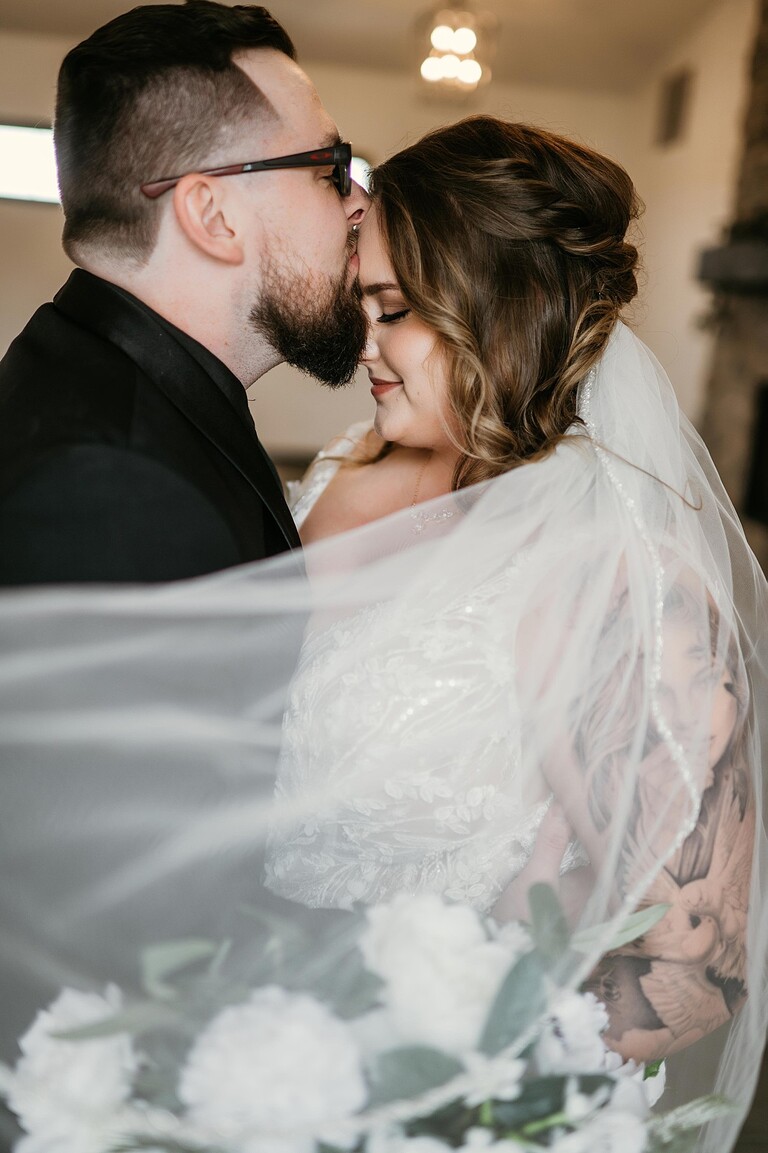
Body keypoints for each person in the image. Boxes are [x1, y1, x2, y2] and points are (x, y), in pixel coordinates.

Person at [0, 118, 765, 1153]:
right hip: (217, 1037)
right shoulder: (344, 473)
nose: (363, 345)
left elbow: (699, 964)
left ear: (505, 310)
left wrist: (418, 1080)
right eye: (362, 302)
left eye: (396, 312)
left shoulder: (618, 572)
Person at [0, 0, 367, 585]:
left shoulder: (123, 390)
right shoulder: (111, 488)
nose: (360, 204)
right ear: (212, 216)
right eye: (329, 170)